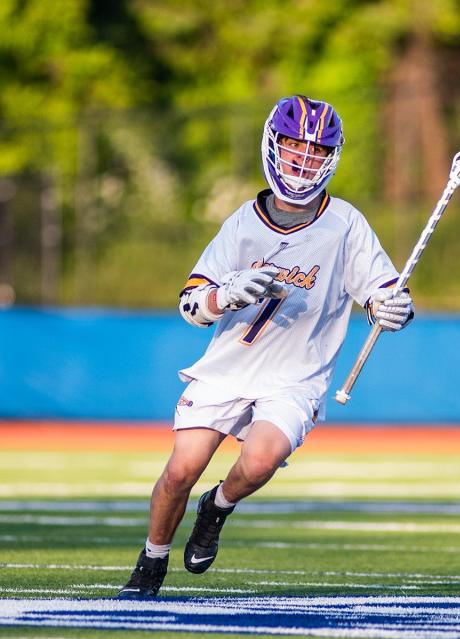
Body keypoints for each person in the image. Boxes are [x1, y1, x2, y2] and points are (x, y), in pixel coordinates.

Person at [118, 95, 415, 597]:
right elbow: (191, 304)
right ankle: (151, 562)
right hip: (228, 367)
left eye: (316, 153)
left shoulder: (345, 223)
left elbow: (384, 292)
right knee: (179, 472)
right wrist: (225, 293)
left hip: (295, 375)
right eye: (295, 150)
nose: (304, 164)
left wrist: (395, 309)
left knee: (259, 462)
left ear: (332, 158)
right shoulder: (242, 222)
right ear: (273, 148)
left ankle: (217, 508)